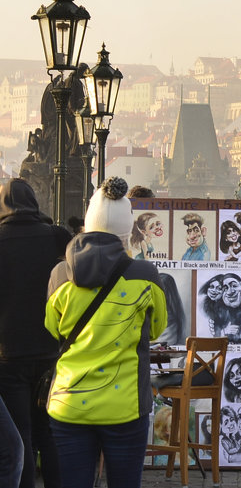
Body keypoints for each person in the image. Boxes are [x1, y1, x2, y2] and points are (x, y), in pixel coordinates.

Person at [44, 178, 168, 488]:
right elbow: (157, 328)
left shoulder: (60, 275)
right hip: (125, 405)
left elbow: (52, 329)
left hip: (69, 402)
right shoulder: (146, 276)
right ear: (128, 230)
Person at [0, 178, 71, 488]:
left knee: (20, 436)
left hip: (7, 355)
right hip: (51, 353)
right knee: (50, 433)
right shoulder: (57, 237)